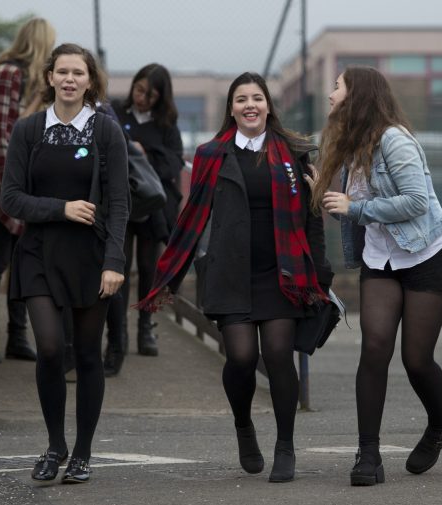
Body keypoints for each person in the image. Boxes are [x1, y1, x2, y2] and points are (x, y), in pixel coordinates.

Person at [137, 72, 333, 483]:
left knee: (279, 355)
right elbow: (192, 216)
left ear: (268, 105)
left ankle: (285, 446)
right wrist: (168, 275)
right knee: (241, 358)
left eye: (257, 98)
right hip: (230, 272)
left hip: (283, 272)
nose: (250, 105)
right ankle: (244, 427)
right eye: (241, 99)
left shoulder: (293, 152)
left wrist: (319, 269)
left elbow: (310, 215)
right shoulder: (212, 153)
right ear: (231, 108)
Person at [310, 66, 442, 486]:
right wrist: (318, 190)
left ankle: (438, 424)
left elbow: (415, 202)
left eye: (337, 86)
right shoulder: (350, 143)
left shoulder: (394, 140)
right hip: (381, 259)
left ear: (357, 94)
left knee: (415, 359)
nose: (330, 93)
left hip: (426, 254)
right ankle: (369, 455)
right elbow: (346, 201)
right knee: (374, 347)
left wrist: (355, 208)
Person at [0, 43, 129, 484]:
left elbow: (118, 203)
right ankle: (55, 444)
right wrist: (61, 208)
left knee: (89, 355)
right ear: (50, 77)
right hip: (38, 254)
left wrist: (115, 262)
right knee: (51, 348)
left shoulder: (106, 131)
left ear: (90, 81)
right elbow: (10, 198)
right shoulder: (29, 130)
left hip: (92, 258)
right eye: (62, 72)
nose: (70, 79)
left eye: (79, 72)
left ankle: (82, 453)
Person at [0, 18, 56, 363]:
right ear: (40, 43)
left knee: (24, 265)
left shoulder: (37, 81)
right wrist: (12, 190)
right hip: (2, 184)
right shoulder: (8, 73)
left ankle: (16, 337)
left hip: (29, 188)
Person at [103, 63, 185, 376]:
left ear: (161, 97)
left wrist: (142, 154)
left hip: (152, 207)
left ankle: (145, 326)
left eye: (149, 95)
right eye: (139, 90)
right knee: (117, 267)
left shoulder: (167, 124)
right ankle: (116, 332)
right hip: (122, 204)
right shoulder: (116, 115)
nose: (142, 98)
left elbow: (172, 164)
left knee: (150, 268)